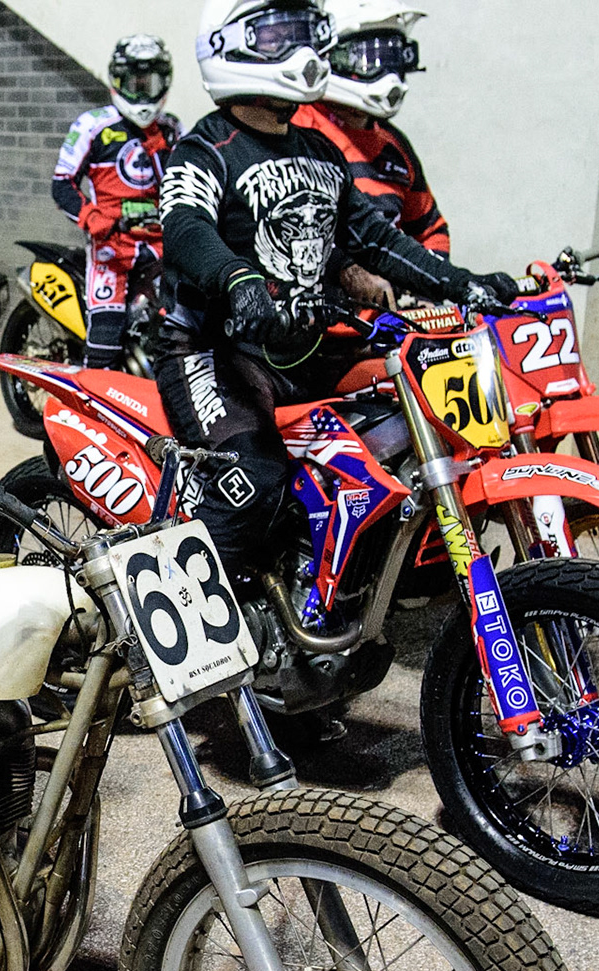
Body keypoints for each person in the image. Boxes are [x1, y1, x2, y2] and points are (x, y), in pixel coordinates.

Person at [156, 0, 517, 575]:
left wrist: (463, 283)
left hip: (305, 345)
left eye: (307, 31)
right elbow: (185, 226)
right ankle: (197, 633)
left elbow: (374, 240)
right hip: (214, 352)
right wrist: (237, 279)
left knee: (398, 426)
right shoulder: (205, 147)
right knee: (254, 478)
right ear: (230, 45)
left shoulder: (319, 150)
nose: (302, 47)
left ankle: (337, 579)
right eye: (280, 33)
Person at [52, 35, 179, 368]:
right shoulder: (92, 125)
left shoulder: (171, 129)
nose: (140, 91)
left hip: (161, 246)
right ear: (117, 81)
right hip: (111, 248)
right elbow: (62, 184)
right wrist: (91, 217)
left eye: (148, 82)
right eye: (133, 82)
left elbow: (186, 183)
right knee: (105, 340)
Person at [294, 2, 447, 262]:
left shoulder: (392, 142)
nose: (387, 72)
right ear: (330, 57)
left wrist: (428, 288)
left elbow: (430, 230)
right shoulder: (297, 129)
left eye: (393, 56)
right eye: (370, 58)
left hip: (394, 299)